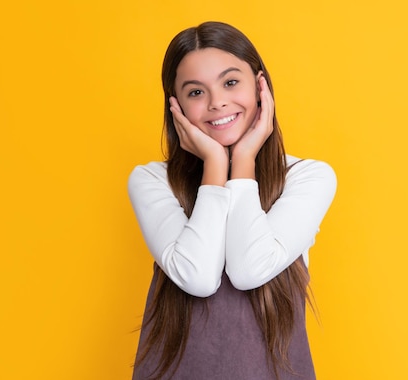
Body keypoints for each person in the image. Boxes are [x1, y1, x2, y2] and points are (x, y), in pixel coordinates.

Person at [128, 21, 337, 380]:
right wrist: (214, 163)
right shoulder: (151, 180)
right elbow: (198, 278)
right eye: (196, 92)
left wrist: (243, 161)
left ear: (261, 87)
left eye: (230, 82)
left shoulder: (307, 177)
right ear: (175, 106)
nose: (217, 102)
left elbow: (248, 270)